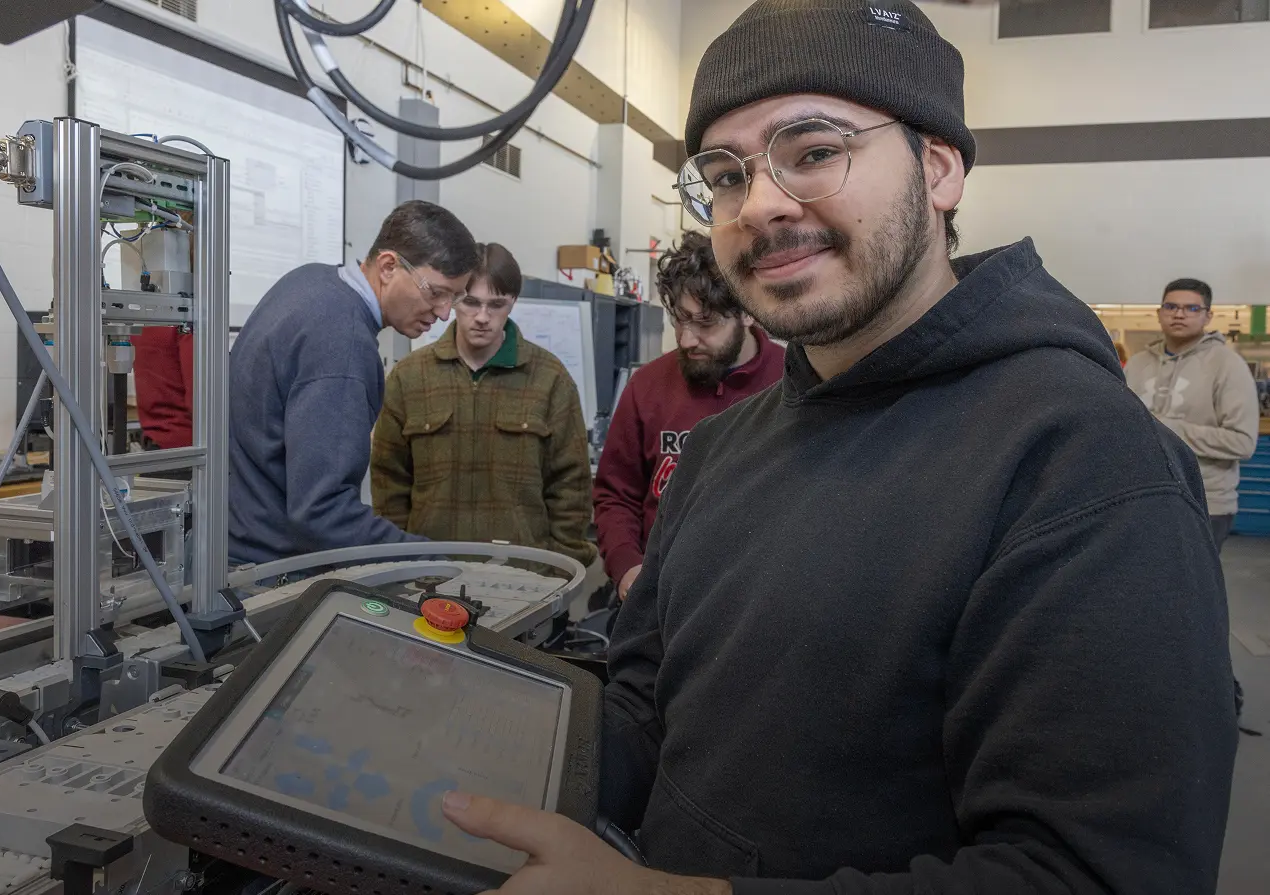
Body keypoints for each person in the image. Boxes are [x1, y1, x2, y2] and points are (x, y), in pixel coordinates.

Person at [438, 3, 1238, 893]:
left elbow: (1092, 872)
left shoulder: (1087, 463)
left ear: (939, 168)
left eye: (815, 151)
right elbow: (646, 707)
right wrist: (475, 738)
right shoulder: (720, 451)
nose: (760, 205)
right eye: (727, 175)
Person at [229, 200, 477, 565]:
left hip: (230, 545)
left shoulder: (310, 280)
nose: (443, 313)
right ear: (389, 266)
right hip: (268, 568)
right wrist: (432, 561)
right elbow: (321, 512)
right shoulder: (344, 344)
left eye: (454, 298)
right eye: (435, 292)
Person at [370, 243, 596, 565]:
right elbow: (388, 483)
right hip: (428, 576)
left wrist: (558, 572)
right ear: (452, 299)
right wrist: (400, 564)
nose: (482, 318)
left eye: (496, 305)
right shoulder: (409, 378)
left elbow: (572, 488)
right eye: (471, 302)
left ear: (513, 302)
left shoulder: (550, 379)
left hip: (525, 577)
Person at [592, 231, 784, 600]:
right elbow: (616, 495)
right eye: (679, 320)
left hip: (759, 600)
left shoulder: (793, 382)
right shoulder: (647, 386)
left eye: (705, 323)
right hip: (658, 599)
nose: (686, 340)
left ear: (748, 311)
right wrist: (626, 565)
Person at [1125, 278, 1260, 551]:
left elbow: (1243, 442)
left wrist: (1168, 429)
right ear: (1159, 312)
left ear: (1208, 316)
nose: (1179, 314)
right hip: (1141, 496)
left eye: (1191, 308)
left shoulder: (1227, 366)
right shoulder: (1137, 364)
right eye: (1171, 306)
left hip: (1204, 501)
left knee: (1193, 579)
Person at [133, 326, 193, 450]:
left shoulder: (143, 324)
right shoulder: (186, 324)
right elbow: (200, 399)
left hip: (155, 441)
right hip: (186, 445)